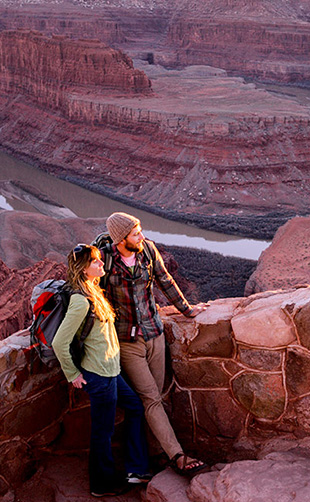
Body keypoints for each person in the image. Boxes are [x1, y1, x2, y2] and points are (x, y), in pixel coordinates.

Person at [103, 212, 207, 477]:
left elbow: (165, 280)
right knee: (150, 398)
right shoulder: (105, 259)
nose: (142, 236)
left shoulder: (147, 250)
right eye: (136, 233)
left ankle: (155, 455)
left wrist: (187, 310)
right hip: (127, 342)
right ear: (121, 238)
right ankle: (177, 456)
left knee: (156, 398)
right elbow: (96, 297)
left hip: (155, 334)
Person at [52, 243, 151, 497]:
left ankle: (135, 469)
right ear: (85, 269)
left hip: (112, 371)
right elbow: (59, 342)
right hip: (99, 376)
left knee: (136, 407)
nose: (101, 264)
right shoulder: (80, 301)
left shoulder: (94, 290)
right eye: (95, 262)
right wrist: (72, 375)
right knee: (102, 432)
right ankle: (101, 484)